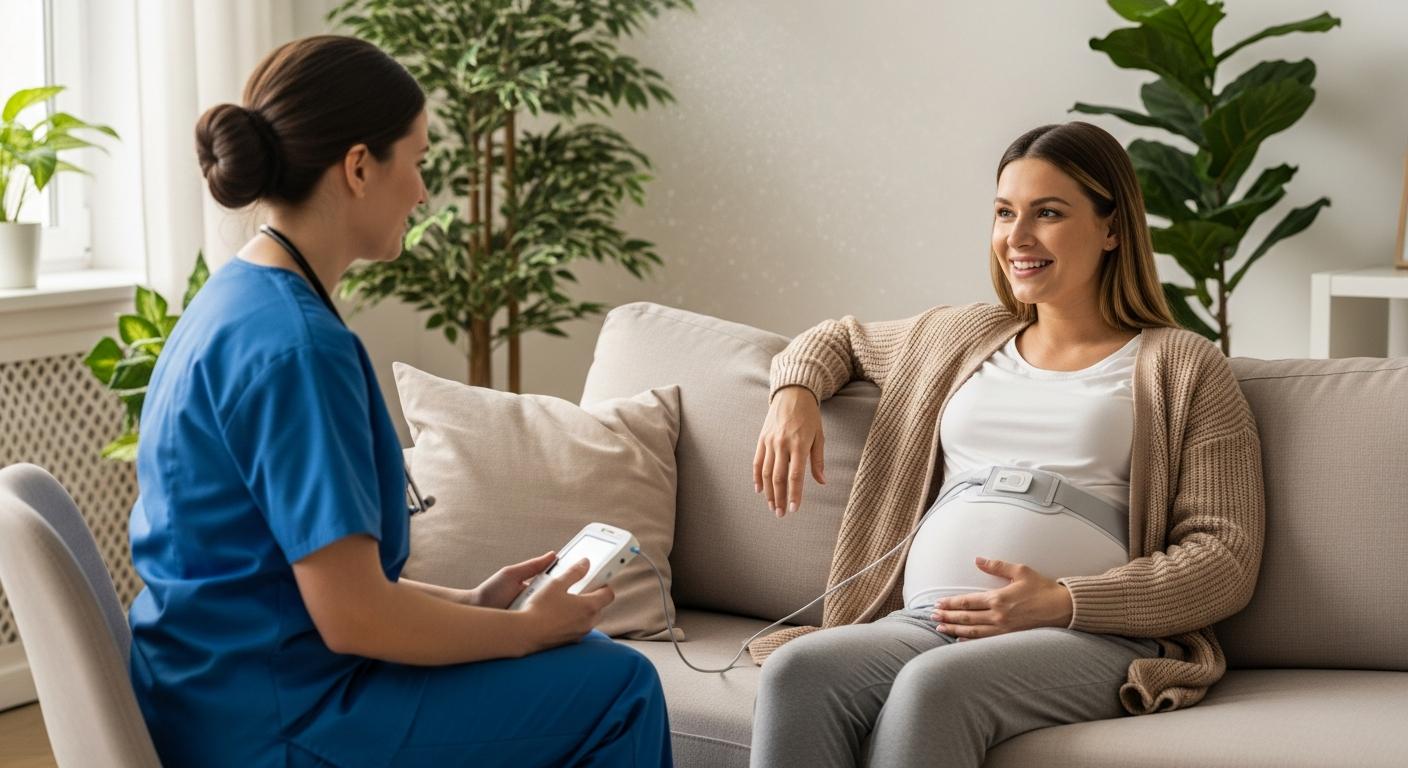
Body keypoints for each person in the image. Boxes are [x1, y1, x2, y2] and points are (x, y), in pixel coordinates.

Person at [127, 35, 672, 768]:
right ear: (358, 167)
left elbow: (309, 589)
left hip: (209, 692)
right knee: (620, 684)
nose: (422, 193)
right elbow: (353, 618)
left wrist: (476, 604)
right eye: (415, 161)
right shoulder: (300, 348)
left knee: (589, 657)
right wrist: (524, 630)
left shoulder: (226, 302)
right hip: (274, 722)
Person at [747, 121, 1265, 768]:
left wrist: (1064, 600)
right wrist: (792, 396)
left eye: (1047, 213)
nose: (1016, 238)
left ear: (1112, 229)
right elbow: (839, 339)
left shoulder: (1183, 366)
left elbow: (1224, 558)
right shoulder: (962, 335)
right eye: (1003, 213)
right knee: (797, 671)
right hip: (927, 621)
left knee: (934, 689)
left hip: (1089, 634)